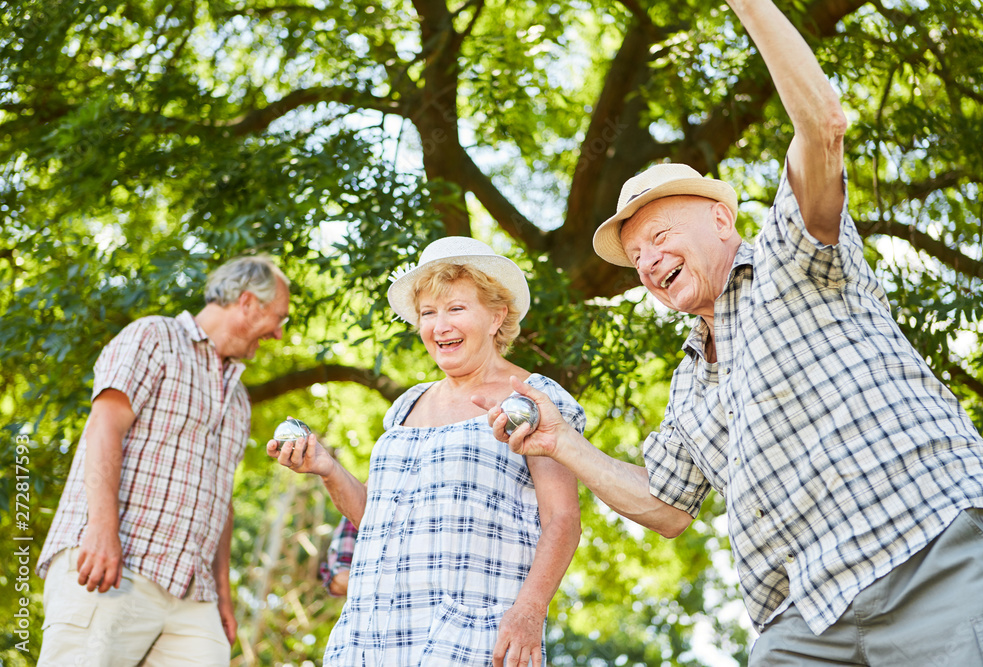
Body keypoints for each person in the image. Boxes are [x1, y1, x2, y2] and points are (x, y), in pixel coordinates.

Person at [476, 1, 983, 664]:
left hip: (929, 549)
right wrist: (561, 441)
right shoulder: (690, 380)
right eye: (636, 256)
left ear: (722, 222)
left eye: (659, 236)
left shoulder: (792, 258)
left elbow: (822, 126)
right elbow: (666, 507)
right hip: (803, 618)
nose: (648, 261)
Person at [267, 236, 585, 666]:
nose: (440, 326)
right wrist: (327, 469)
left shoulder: (532, 398)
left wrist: (530, 611)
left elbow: (563, 520)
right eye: (428, 313)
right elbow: (374, 519)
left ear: (496, 316)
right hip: (368, 635)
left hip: (470, 635)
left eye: (456, 308)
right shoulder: (406, 405)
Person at [36, 255, 291, 666]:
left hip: (192, 593)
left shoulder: (238, 399)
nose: (278, 333)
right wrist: (101, 529)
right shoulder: (155, 336)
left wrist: (222, 593)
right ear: (247, 302)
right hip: (117, 563)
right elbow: (104, 426)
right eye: (278, 317)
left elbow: (220, 498)